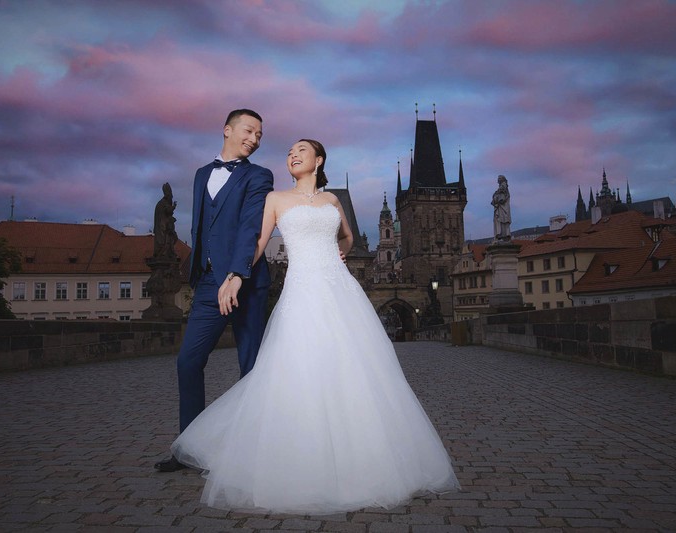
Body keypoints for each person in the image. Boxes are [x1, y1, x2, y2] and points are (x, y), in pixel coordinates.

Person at [169, 139, 460, 513]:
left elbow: (349, 237)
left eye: (301, 150)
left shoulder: (332, 201)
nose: (293, 155)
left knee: (353, 369)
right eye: (290, 151)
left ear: (318, 160)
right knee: (299, 368)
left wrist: (341, 248)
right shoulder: (275, 199)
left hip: (340, 289)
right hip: (302, 289)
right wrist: (236, 275)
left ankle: (360, 459)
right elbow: (257, 242)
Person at [154, 109, 274, 473]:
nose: (255, 138)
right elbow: (204, 225)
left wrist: (238, 273)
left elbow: (251, 227)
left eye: (259, 134)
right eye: (249, 130)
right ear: (227, 129)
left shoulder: (259, 175)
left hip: (247, 284)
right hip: (208, 283)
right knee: (188, 361)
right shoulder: (201, 174)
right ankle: (188, 450)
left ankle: (253, 451)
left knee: (251, 368)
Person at [491, 174, 511, 241]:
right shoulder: (501, 189)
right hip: (500, 208)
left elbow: (501, 199)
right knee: (501, 220)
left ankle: (502, 235)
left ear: (503, 179)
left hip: (502, 208)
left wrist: (495, 199)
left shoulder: (503, 188)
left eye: (499, 178)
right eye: (498, 178)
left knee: (502, 220)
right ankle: (502, 235)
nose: (498, 180)